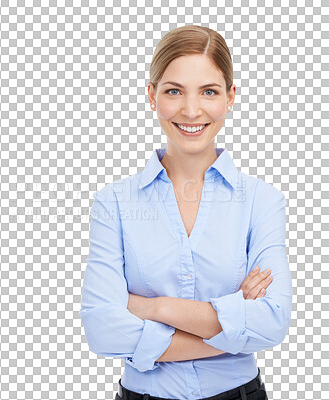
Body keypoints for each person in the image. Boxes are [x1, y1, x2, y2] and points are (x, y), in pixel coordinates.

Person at [79, 25, 292, 400]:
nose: (191, 110)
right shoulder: (114, 203)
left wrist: (152, 307)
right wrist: (234, 326)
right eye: (174, 91)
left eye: (208, 91)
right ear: (152, 96)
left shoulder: (262, 201)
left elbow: (273, 323)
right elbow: (103, 330)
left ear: (230, 97)